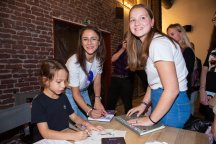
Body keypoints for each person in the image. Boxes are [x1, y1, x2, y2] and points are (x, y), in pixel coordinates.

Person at [126, 4, 191, 129]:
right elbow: (154, 82)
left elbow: (172, 90)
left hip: (172, 105)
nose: (136, 23)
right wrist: (144, 104)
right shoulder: (152, 43)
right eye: (132, 19)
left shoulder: (158, 43)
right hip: (162, 100)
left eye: (142, 18)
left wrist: (151, 119)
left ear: (152, 22)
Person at [31, 59, 104, 142]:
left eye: (65, 81)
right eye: (59, 82)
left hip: (64, 138)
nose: (63, 86)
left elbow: (75, 117)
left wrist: (88, 124)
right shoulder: (38, 102)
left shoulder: (63, 97)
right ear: (45, 81)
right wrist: (73, 136)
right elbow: (45, 133)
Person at [65, 25, 107, 120]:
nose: (89, 43)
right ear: (81, 43)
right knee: (73, 125)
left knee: (88, 122)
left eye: (93, 39)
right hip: (70, 93)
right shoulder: (74, 62)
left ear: (99, 42)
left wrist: (97, 99)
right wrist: (89, 111)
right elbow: (75, 93)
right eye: (85, 39)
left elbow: (97, 83)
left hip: (84, 92)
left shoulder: (99, 60)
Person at [107, 32, 134, 114]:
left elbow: (135, 64)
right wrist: (123, 48)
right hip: (115, 78)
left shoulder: (134, 49)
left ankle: (129, 122)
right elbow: (113, 59)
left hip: (127, 80)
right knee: (110, 102)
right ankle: (110, 120)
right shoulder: (120, 47)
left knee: (127, 104)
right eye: (127, 39)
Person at [167, 23, 196, 97]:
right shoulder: (173, 50)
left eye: (172, 34)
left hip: (182, 89)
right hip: (172, 88)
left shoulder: (187, 51)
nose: (170, 37)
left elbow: (185, 73)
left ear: (181, 34)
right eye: (168, 35)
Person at [199, 11, 216, 122]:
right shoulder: (214, 44)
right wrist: (202, 90)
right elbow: (205, 68)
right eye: (214, 19)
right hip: (209, 93)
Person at [190, 42, 202, 115]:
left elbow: (199, 75)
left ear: (194, 49)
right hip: (185, 86)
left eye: (192, 48)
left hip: (194, 87)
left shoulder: (198, 61)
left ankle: (191, 118)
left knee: (192, 103)